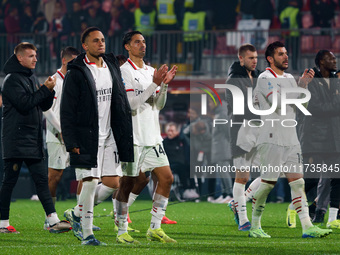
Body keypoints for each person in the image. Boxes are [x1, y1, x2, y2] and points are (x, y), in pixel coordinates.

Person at [249, 41, 332, 238]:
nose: (285, 57)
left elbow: (299, 104)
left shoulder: (288, 78)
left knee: (298, 183)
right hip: (270, 138)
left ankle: (307, 227)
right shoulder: (265, 77)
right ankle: (255, 225)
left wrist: (302, 87)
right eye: (280, 54)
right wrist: (301, 86)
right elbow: (277, 103)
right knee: (268, 184)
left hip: (290, 138)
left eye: (286, 53)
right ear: (270, 59)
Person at [60, 27, 134, 246]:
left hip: (110, 135)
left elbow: (118, 100)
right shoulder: (78, 71)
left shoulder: (111, 66)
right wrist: (71, 141)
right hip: (87, 136)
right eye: (95, 41)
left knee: (112, 183)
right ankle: (87, 233)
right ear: (85, 46)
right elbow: (67, 109)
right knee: (90, 183)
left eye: (102, 40)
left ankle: (76, 213)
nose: (101, 43)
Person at [0, 42, 71, 234]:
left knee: (41, 180)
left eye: (36, 55)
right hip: (16, 138)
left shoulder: (29, 78)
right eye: (31, 56)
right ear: (20, 58)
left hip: (31, 138)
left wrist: (49, 91)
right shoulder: (12, 80)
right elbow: (25, 104)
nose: (35, 59)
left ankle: (53, 220)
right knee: (9, 182)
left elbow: (41, 104)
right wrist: (43, 90)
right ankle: (3, 223)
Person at [115, 30, 177, 244]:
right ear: (127, 46)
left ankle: (155, 227)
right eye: (137, 42)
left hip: (153, 136)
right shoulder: (123, 71)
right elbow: (131, 104)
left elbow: (158, 105)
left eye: (143, 42)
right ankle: (122, 230)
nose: (142, 45)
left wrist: (164, 84)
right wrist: (154, 83)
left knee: (167, 178)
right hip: (133, 136)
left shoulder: (152, 70)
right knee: (127, 183)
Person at [294, 50, 340, 229]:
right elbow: (316, 107)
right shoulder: (311, 80)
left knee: (336, 177)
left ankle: (333, 218)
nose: (334, 60)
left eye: (335, 58)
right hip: (316, 137)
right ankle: (295, 205)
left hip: (335, 136)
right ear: (321, 61)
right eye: (330, 58)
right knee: (312, 179)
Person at [42, 46, 80, 230]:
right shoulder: (53, 80)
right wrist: (62, 129)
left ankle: (81, 217)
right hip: (57, 135)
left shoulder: (76, 81)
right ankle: (50, 217)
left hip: (75, 134)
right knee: (54, 177)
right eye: (73, 61)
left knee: (84, 175)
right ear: (64, 60)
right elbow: (46, 109)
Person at [225, 44, 262, 231]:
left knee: (271, 172)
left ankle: (239, 202)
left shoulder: (257, 76)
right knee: (242, 177)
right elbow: (238, 107)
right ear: (241, 59)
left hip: (258, 131)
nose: (254, 61)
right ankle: (243, 219)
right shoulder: (234, 79)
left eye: (256, 57)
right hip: (240, 132)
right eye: (250, 58)